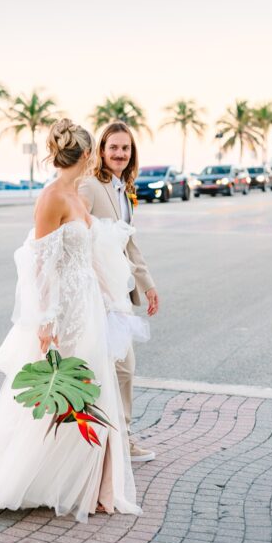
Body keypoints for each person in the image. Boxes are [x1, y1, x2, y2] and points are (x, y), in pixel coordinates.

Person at [0, 119, 149, 521]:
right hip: (64, 313)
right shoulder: (51, 198)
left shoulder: (76, 196)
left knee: (95, 392)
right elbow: (40, 266)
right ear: (86, 155)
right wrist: (46, 322)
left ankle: (94, 485)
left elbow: (89, 256)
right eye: (97, 152)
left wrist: (109, 298)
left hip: (90, 307)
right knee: (63, 397)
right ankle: (33, 478)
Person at [80, 122, 159, 463]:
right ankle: (109, 440)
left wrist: (148, 284)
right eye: (113, 147)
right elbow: (74, 237)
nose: (120, 154)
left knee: (122, 368)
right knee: (111, 367)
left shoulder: (123, 189)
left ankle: (119, 436)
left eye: (125, 148)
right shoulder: (89, 187)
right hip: (97, 296)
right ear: (101, 150)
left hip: (119, 296)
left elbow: (129, 243)